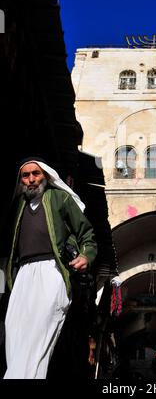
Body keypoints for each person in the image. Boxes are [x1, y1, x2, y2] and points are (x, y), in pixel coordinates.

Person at [2, 157, 97, 379]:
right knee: (14, 333)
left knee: (39, 332)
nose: (31, 179)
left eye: (36, 174)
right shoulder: (18, 206)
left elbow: (87, 234)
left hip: (51, 271)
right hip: (23, 274)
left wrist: (85, 256)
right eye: (26, 176)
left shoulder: (59, 198)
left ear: (45, 175)